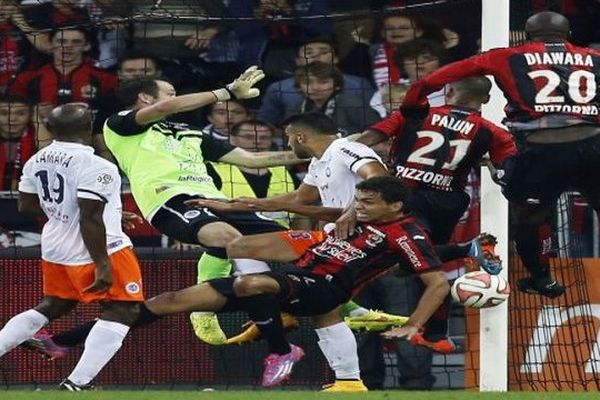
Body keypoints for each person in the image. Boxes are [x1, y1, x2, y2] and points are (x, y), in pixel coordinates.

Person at [133, 176, 450, 389]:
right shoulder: (359, 213)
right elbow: (304, 205)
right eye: (359, 200)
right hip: (317, 251)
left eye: (367, 202)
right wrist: (232, 206)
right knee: (238, 247)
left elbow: (436, 282)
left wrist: (414, 323)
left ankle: (275, 308)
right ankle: (344, 373)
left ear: (394, 206)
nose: (359, 206)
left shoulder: (406, 231)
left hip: (329, 275)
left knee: (323, 304)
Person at [399, 10, 600, 298]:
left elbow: (438, 78)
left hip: (542, 149)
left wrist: (414, 100)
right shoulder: (593, 57)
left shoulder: (505, 55)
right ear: (568, 35)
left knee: (530, 216)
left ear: (527, 36)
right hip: (594, 143)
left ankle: (542, 278)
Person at [0, 103, 143, 391]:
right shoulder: (99, 166)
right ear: (90, 128)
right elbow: (90, 218)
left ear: (50, 129)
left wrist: (109, 212)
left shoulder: (36, 160)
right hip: (99, 248)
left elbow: (25, 205)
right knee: (124, 310)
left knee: (53, 306)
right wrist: (102, 263)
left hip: (55, 246)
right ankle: (77, 383)